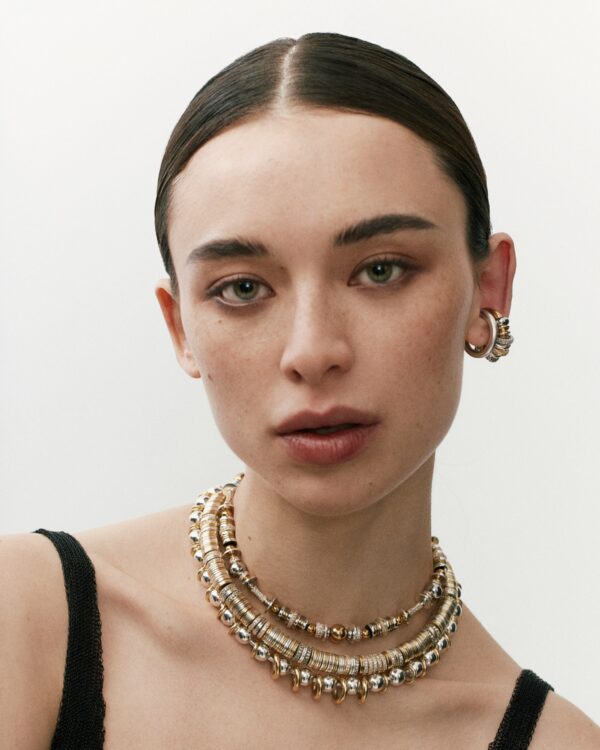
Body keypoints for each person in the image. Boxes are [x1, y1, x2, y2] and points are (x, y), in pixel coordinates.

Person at [1, 31, 598, 749]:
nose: (312, 351)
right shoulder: (26, 616)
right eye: (242, 288)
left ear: (489, 289)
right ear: (180, 325)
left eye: (381, 270)